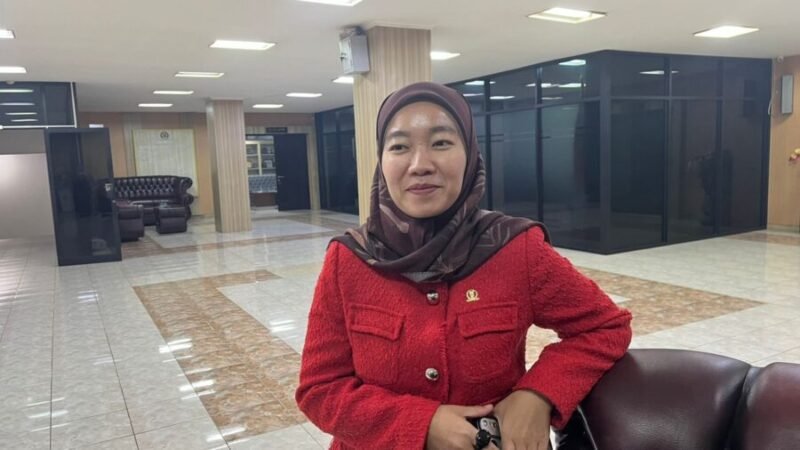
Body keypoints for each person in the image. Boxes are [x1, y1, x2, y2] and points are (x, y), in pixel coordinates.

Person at [296, 82, 632, 450]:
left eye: (441, 142)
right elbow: (319, 389)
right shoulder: (349, 259)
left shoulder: (514, 247)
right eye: (399, 146)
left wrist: (538, 394)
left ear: (470, 154)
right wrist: (421, 425)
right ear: (382, 161)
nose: (420, 165)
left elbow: (605, 327)